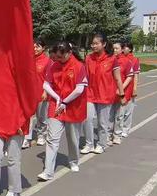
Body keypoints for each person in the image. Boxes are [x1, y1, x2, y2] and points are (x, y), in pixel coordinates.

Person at [37, 41, 88, 181]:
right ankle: (48, 171)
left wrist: (66, 101)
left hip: (73, 107)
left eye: (61, 57)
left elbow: (79, 89)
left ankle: (73, 161)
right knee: (52, 138)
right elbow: (46, 84)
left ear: (69, 53)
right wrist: (57, 98)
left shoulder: (79, 66)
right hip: (56, 106)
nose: (58, 59)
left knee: (73, 138)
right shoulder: (53, 66)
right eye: (56, 57)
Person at [81, 33, 125, 154]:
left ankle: (101, 144)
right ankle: (89, 144)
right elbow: (84, 76)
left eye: (96, 43)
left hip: (105, 96)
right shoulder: (89, 58)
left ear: (104, 44)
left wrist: (122, 94)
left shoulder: (111, 59)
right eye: (92, 43)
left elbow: (118, 79)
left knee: (102, 123)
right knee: (87, 119)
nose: (93, 46)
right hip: (90, 94)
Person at [22, 38, 51, 149]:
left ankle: (41, 135)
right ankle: (26, 138)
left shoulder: (47, 61)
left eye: (37, 46)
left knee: (41, 117)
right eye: (33, 46)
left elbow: (49, 78)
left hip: (41, 94)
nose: (35, 48)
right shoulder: (28, 60)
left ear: (43, 48)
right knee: (27, 117)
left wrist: (45, 91)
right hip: (29, 94)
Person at [111, 41, 134, 144]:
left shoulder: (126, 61)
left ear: (121, 49)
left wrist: (121, 89)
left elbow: (129, 77)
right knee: (109, 115)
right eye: (113, 48)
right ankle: (108, 135)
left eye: (117, 48)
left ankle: (117, 135)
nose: (114, 50)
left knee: (119, 115)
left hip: (121, 93)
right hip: (109, 93)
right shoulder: (109, 60)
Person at [121, 42, 141, 137]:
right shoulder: (118, 59)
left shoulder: (134, 60)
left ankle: (125, 129)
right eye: (122, 47)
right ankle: (118, 129)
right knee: (119, 110)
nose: (123, 49)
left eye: (125, 48)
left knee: (128, 111)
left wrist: (135, 89)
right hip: (120, 87)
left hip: (129, 87)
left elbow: (136, 76)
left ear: (130, 49)